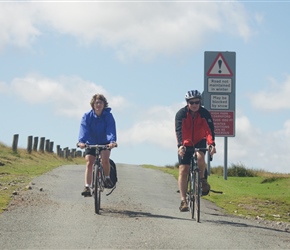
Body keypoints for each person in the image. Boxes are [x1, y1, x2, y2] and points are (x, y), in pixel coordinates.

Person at [175, 90, 216, 211]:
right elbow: (178, 131)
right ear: (187, 103)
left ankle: (202, 179)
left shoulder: (204, 113)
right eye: (191, 102)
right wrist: (180, 145)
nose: (194, 105)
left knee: (200, 157)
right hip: (186, 143)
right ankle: (183, 200)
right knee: (183, 170)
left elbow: (209, 131)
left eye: (197, 102)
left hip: (199, 140)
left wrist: (211, 144)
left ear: (200, 102)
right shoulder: (181, 114)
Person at [78, 94, 117, 197]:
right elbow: (84, 129)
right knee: (89, 162)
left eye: (100, 102)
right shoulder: (87, 116)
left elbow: (110, 129)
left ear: (104, 104)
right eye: (96, 103)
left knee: (105, 160)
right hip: (90, 143)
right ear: (93, 105)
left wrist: (112, 141)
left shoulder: (108, 116)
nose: (98, 105)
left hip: (104, 142)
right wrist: (81, 142)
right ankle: (87, 186)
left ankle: (107, 178)